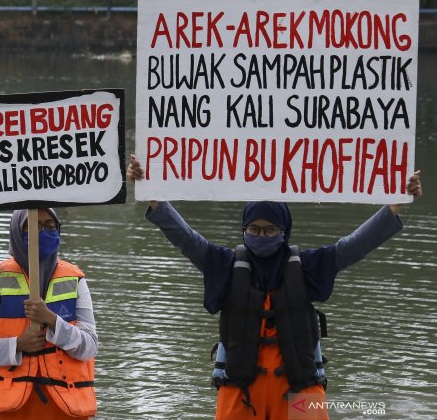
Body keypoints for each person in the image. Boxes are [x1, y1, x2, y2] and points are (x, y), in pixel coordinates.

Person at [127, 155, 422, 419]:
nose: (261, 236)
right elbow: (185, 238)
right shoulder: (224, 264)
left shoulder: (308, 266)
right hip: (240, 391)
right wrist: (153, 195)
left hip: (300, 391)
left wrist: (395, 205)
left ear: (284, 231)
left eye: (270, 230)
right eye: (253, 230)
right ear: (243, 230)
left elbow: (355, 246)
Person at [0, 208, 98, 419]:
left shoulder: (76, 281)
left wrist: (53, 321)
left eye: (50, 227)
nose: (43, 233)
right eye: (33, 227)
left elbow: (89, 347)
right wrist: (17, 345)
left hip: (63, 409)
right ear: (17, 232)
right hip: (5, 410)